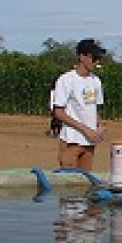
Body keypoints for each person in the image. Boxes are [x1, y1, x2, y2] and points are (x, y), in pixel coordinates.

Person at [52, 38, 107, 171]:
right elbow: (58, 112)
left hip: (90, 142)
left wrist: (99, 125)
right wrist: (85, 129)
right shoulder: (66, 80)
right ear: (82, 57)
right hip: (71, 140)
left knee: (86, 183)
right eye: (94, 58)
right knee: (70, 182)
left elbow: (94, 109)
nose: (97, 62)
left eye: (99, 58)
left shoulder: (96, 81)